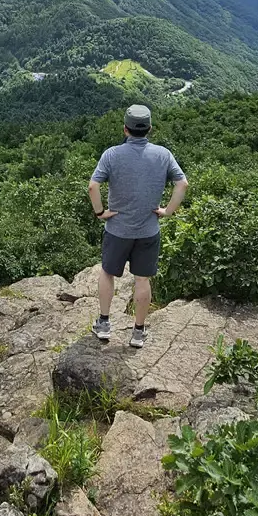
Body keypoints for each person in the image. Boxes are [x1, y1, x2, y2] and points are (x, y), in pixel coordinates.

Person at [87, 104, 189, 348]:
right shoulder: (163, 155)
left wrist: (101, 212)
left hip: (117, 229)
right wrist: (167, 211)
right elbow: (182, 184)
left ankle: (103, 324)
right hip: (148, 230)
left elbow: (93, 187)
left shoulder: (111, 155)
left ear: (125, 129)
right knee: (142, 280)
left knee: (108, 273)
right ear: (150, 129)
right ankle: (138, 332)